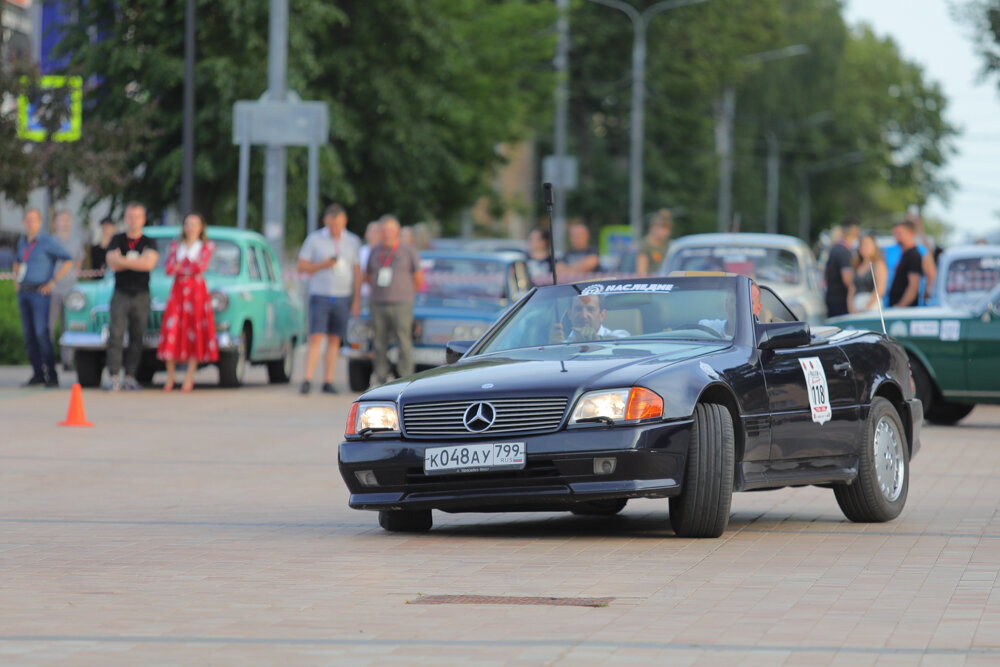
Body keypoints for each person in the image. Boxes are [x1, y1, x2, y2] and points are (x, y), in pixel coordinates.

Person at [297, 204, 361, 394]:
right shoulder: (314, 239)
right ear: (326, 222)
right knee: (316, 336)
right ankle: (307, 378)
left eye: (339, 225)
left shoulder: (353, 241)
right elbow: (302, 266)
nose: (335, 229)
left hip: (342, 296)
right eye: (332, 225)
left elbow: (357, 272)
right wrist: (323, 265)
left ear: (344, 222)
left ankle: (328, 380)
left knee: (335, 339)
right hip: (320, 294)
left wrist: (356, 300)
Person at [157, 213, 218, 392]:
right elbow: (168, 268)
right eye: (188, 224)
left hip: (196, 293)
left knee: (194, 329)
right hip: (177, 293)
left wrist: (180, 267)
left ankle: (189, 377)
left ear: (201, 228)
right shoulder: (176, 246)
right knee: (171, 330)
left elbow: (200, 266)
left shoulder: (206, 246)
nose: (190, 228)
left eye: (194, 224)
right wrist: (184, 267)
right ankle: (170, 377)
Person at [13, 209, 73, 387]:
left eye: (34, 220)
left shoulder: (47, 241)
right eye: (28, 220)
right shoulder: (22, 242)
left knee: (41, 333)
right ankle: (37, 373)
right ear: (24, 222)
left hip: (41, 293)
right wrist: (16, 279)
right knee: (29, 335)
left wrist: (53, 282)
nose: (30, 224)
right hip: (24, 292)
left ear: (39, 223)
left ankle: (51, 375)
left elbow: (68, 260)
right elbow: (18, 261)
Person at [104, 202, 159, 391]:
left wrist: (123, 260)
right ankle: (113, 376)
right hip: (121, 293)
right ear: (125, 218)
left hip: (141, 294)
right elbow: (112, 262)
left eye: (137, 217)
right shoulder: (117, 239)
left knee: (137, 336)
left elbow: (149, 264)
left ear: (143, 219)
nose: (133, 220)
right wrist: (136, 261)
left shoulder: (149, 241)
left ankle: (131, 376)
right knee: (116, 334)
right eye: (130, 216)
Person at [365, 214, 422, 386]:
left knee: (403, 340)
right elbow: (367, 276)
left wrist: (405, 293)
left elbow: (418, 278)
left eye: (390, 229)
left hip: (401, 303)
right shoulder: (375, 251)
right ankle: (381, 377)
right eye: (384, 230)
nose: (387, 233)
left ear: (397, 231)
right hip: (378, 302)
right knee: (379, 341)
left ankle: (406, 378)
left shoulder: (407, 250)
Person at [49, 210, 86, 369]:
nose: (65, 223)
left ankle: (67, 360)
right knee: (49, 326)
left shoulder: (76, 241)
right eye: (61, 220)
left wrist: (75, 278)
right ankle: (48, 359)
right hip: (54, 288)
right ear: (56, 222)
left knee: (69, 326)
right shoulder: (50, 241)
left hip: (70, 290)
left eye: (67, 219)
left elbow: (79, 262)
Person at [549, 294, 630, 343]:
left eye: (590, 309)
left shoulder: (619, 335)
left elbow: (624, 340)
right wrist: (554, 349)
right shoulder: (562, 343)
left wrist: (597, 339)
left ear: (602, 315)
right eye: (578, 309)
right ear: (569, 314)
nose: (583, 315)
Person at [824, 217, 859, 317]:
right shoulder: (844, 252)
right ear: (855, 231)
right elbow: (847, 279)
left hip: (832, 297)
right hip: (841, 300)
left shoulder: (835, 248)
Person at [888, 220, 923, 308]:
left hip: (904, 311)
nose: (896, 237)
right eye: (895, 234)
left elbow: (913, 287)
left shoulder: (914, 255)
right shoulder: (904, 254)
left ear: (910, 233)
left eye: (899, 233)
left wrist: (899, 307)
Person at [852, 233, 888, 312]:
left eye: (867, 245)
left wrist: (867, 306)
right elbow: (852, 288)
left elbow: (880, 289)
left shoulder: (878, 264)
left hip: (871, 306)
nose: (864, 248)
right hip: (856, 305)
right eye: (862, 245)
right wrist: (851, 308)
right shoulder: (856, 266)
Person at [635, 209, 673, 276]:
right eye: (663, 228)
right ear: (653, 227)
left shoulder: (669, 244)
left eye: (668, 229)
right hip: (652, 282)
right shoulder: (645, 246)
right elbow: (641, 273)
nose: (666, 232)